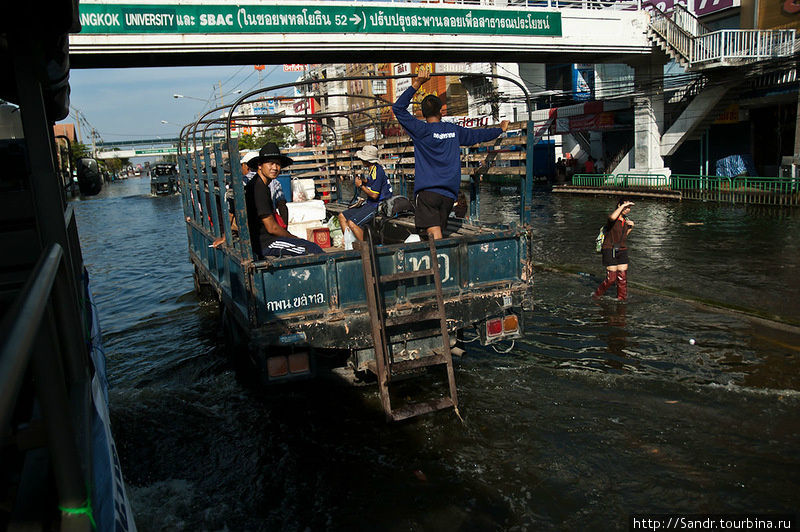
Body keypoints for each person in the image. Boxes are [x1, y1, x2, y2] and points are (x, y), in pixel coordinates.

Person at [392, 65, 509, 240]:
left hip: (428, 193)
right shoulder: (453, 130)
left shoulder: (421, 130)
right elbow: (478, 135)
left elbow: (398, 109)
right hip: (448, 196)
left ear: (423, 114)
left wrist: (417, 83)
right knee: (432, 232)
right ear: (440, 111)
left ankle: (440, 265)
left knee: (434, 234)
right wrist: (499, 129)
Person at [241, 142, 323, 257]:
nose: (275, 168)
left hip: (266, 240)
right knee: (313, 249)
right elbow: (272, 228)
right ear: (260, 165)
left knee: (307, 245)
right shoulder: (258, 188)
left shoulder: (261, 185)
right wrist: (293, 237)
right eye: (271, 163)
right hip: (266, 243)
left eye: (278, 164)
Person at [338, 145, 393, 242]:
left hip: (377, 206)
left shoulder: (377, 171)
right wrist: (364, 181)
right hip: (370, 203)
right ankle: (350, 244)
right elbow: (372, 182)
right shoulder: (373, 169)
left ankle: (365, 249)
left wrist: (360, 186)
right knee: (342, 216)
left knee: (352, 223)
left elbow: (374, 195)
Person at [593, 198, 635, 301]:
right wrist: (622, 207)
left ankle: (621, 299)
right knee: (611, 278)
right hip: (609, 248)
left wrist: (630, 228)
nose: (627, 209)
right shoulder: (613, 218)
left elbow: (623, 236)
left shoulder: (625, 220)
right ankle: (597, 295)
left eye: (629, 207)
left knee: (622, 278)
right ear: (619, 206)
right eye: (626, 207)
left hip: (622, 249)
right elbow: (612, 217)